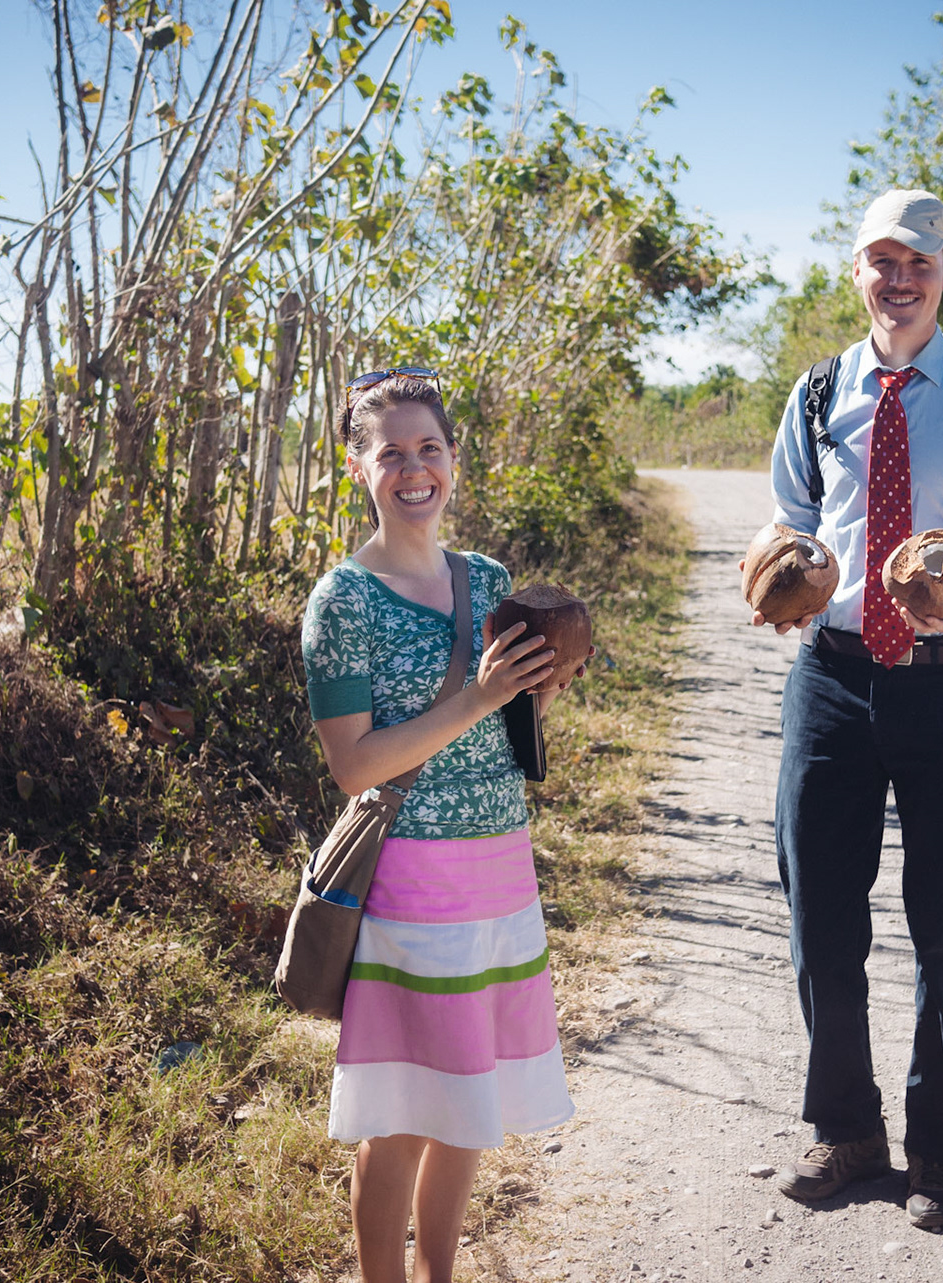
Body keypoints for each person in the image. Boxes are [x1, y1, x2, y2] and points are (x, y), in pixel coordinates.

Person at [751, 190, 943, 1229]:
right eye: (880, 260)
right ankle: (847, 1131)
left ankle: (936, 1153)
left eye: (918, 260)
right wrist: (774, 577)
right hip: (833, 679)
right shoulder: (816, 393)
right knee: (820, 922)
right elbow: (791, 525)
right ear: (856, 272)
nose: (899, 277)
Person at [301, 369, 580, 1282]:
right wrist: (480, 694)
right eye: (392, 453)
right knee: (404, 1119)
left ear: (453, 459)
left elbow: (509, 724)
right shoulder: (341, 601)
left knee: (473, 1099)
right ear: (359, 469)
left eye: (430, 449)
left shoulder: (489, 580)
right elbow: (355, 764)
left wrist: (542, 685)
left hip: (500, 868)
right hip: (412, 882)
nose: (413, 469)